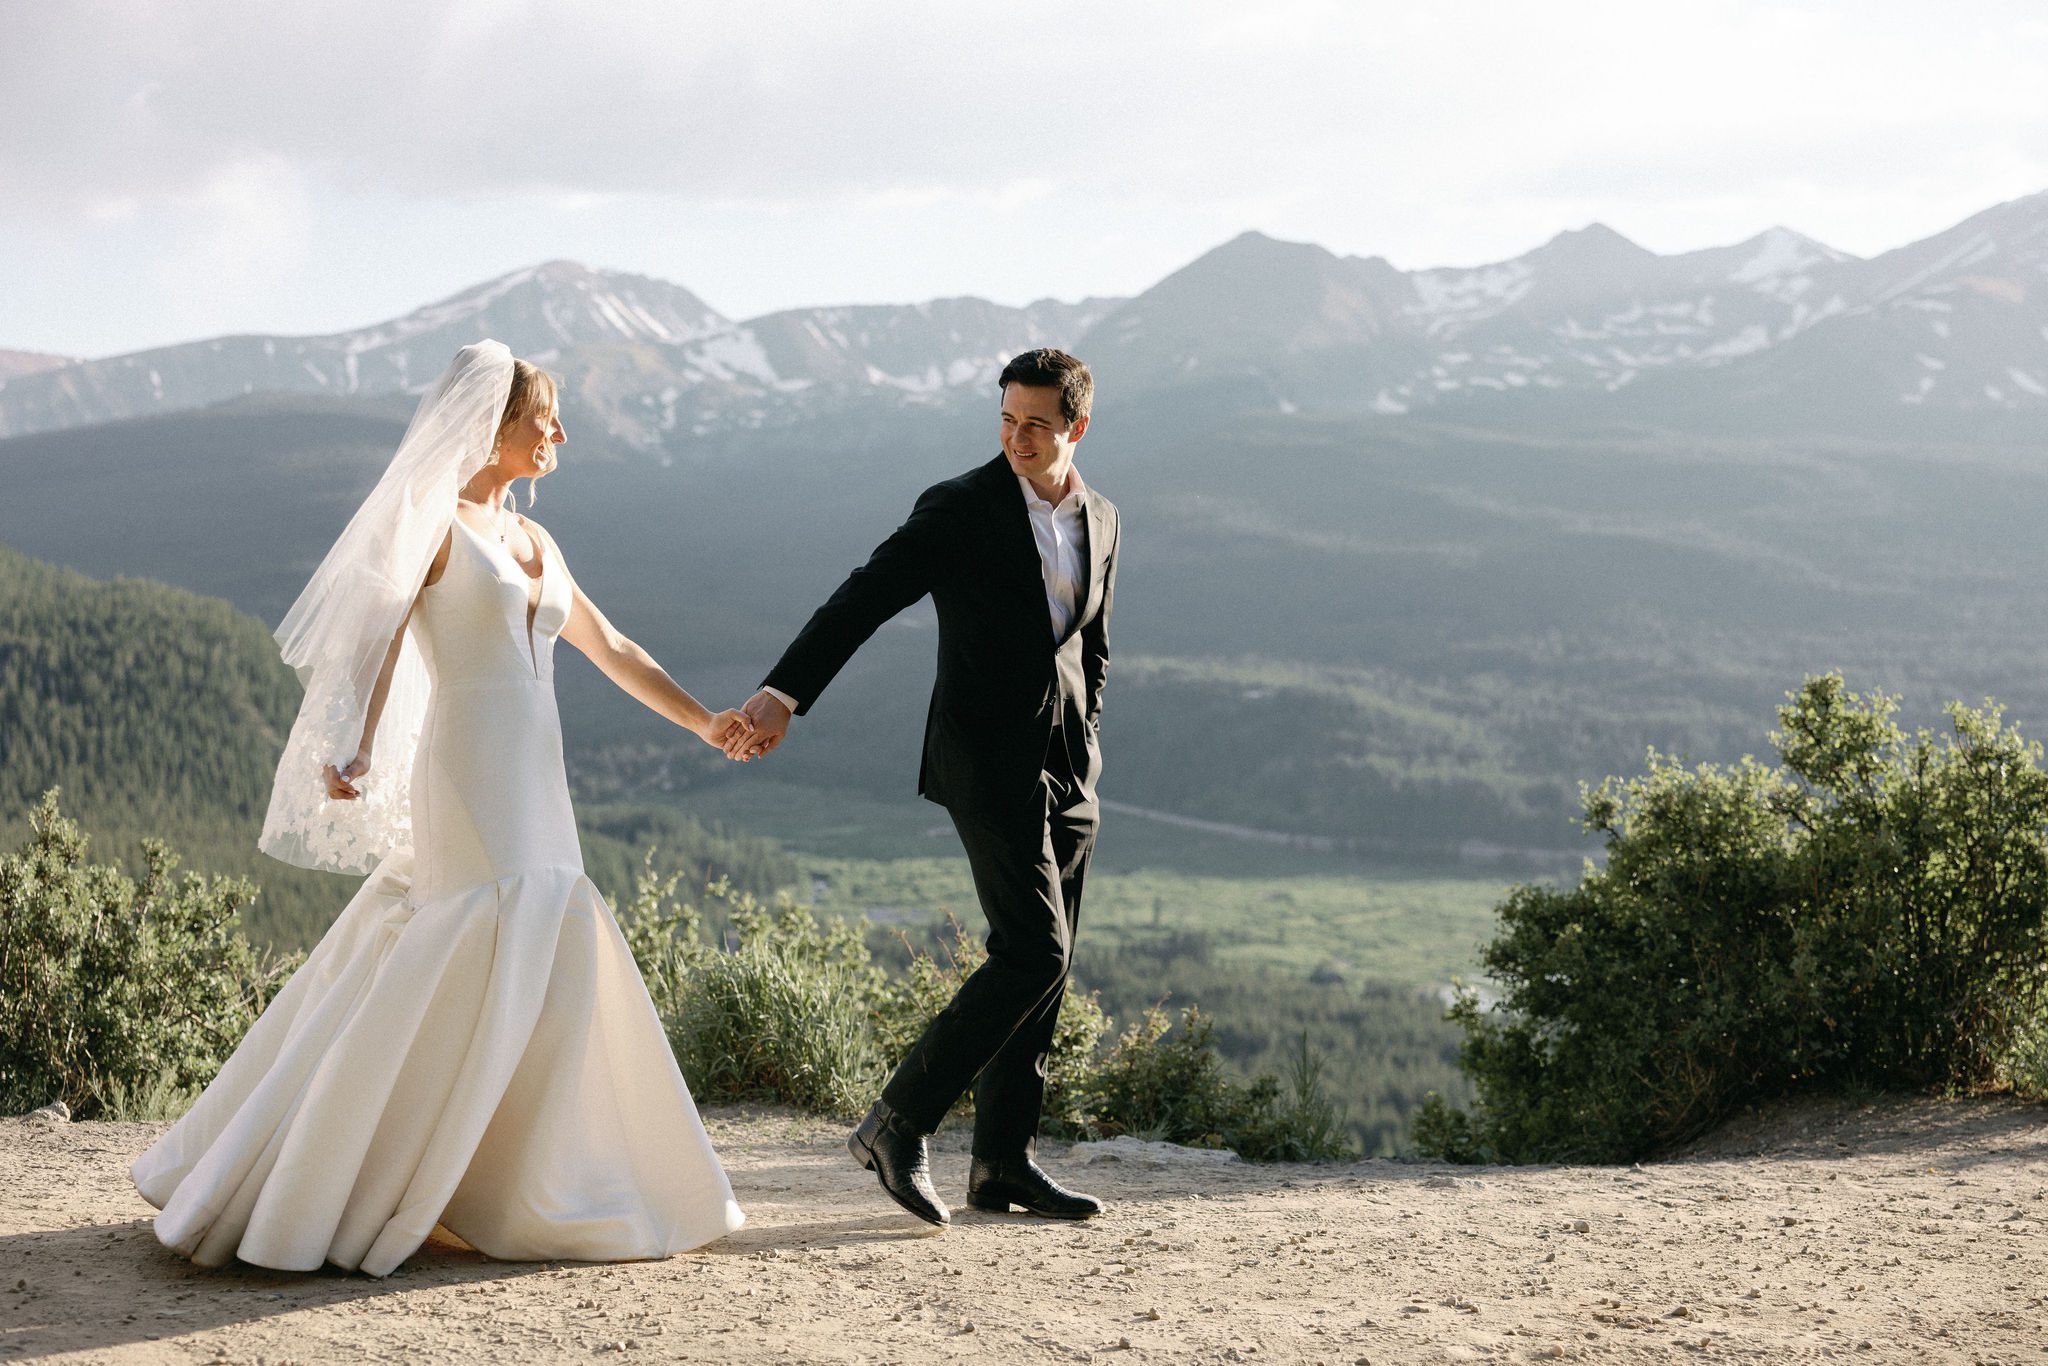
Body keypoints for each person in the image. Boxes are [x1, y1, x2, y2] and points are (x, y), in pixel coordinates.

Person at [131, 341, 750, 1275]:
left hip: (538, 773)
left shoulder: (539, 542)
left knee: (548, 929)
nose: (559, 433)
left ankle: (516, 1175)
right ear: (496, 426)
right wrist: (359, 746)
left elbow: (612, 646)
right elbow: (377, 645)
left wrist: (705, 723)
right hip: (466, 767)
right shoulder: (433, 527)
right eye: (545, 417)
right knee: (471, 934)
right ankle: (340, 1180)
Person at [729, 348, 1118, 1227]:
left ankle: (1002, 1163)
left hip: (1069, 771)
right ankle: (895, 1123)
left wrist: (1089, 736)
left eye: (1038, 425)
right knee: (1034, 952)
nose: (1018, 438)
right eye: (1007, 420)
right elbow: (863, 597)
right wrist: (783, 693)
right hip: (984, 760)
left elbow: (1091, 644)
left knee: (1045, 976)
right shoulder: (961, 505)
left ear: (1076, 428)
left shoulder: (1104, 518)